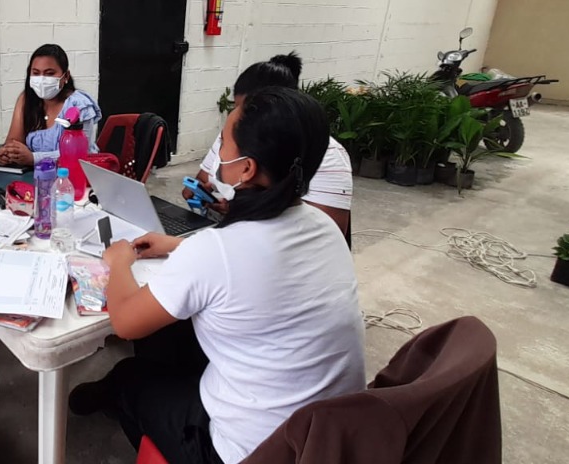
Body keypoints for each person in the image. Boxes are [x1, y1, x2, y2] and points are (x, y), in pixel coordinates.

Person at [72, 87, 365, 464]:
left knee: (130, 377)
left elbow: (126, 322)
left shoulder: (217, 250)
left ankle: (131, 404)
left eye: (224, 142)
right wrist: (179, 246)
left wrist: (117, 262)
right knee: (172, 332)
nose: (218, 154)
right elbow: (255, 265)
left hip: (247, 452)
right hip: (329, 439)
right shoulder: (324, 227)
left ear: (247, 168)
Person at [184, 53, 354, 241]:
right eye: (237, 108)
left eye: (248, 110)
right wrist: (204, 193)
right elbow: (203, 179)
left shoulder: (327, 155)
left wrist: (241, 210)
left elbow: (325, 235)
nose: (240, 120)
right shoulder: (234, 131)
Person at [0, 44, 101, 167]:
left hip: (74, 173)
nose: (42, 80)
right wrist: (8, 153)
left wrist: (34, 158)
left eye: (49, 73)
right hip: (35, 174)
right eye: (36, 73)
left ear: (66, 76)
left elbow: (80, 153)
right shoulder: (27, 99)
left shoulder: (79, 105)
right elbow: (14, 141)